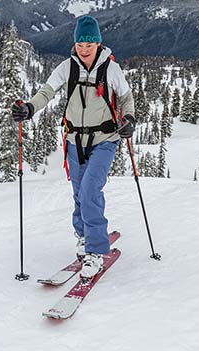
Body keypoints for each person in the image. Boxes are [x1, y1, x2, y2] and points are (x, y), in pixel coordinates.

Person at [12, 15, 135, 279]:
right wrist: (30, 108)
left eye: (89, 44)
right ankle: (83, 235)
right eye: (80, 44)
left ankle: (95, 251)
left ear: (98, 43)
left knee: (90, 190)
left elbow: (126, 97)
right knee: (80, 193)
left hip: (105, 139)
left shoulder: (111, 69)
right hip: (74, 140)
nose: (84, 49)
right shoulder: (67, 67)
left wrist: (129, 119)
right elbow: (46, 92)